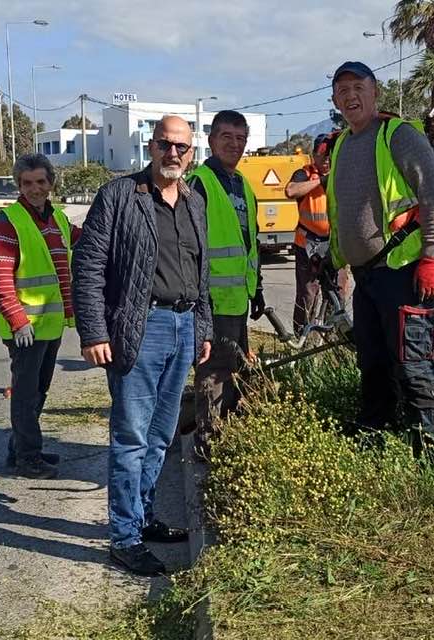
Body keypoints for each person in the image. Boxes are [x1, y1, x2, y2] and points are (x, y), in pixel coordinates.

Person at [72, 115, 212, 577]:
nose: (174, 154)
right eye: (166, 145)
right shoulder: (119, 196)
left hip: (183, 324)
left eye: (183, 148)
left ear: (193, 153)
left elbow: (201, 273)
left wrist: (204, 329)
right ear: (150, 147)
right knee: (131, 437)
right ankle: (124, 537)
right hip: (140, 326)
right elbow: (88, 265)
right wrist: (93, 332)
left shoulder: (194, 201)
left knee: (160, 436)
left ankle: (144, 515)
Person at [325, 61, 434, 455]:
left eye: (357, 87)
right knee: (373, 362)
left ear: (374, 90)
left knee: (412, 364)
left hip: (403, 273)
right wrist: (334, 259)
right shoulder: (342, 143)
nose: (349, 96)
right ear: (334, 100)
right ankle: (375, 435)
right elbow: (339, 209)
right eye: (341, 90)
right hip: (367, 278)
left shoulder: (397, 136)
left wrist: (430, 257)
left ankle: (433, 449)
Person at [0, 153, 81, 480]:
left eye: (41, 182)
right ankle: (28, 458)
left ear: (51, 183)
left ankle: (20, 451)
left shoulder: (57, 218)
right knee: (25, 395)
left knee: (38, 392)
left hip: (50, 324)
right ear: (19, 186)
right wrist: (18, 321)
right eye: (27, 183)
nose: (35, 189)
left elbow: (84, 243)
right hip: (24, 328)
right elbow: (0, 277)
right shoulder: (7, 221)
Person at [186, 110, 264, 452]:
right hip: (212, 300)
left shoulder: (242, 184)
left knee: (232, 366)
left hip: (238, 297)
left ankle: (226, 434)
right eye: (226, 137)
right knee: (214, 370)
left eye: (240, 138)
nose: (234, 144)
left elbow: (250, 241)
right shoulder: (201, 183)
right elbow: (190, 244)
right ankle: (209, 439)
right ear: (211, 140)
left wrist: (256, 286)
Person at [284, 132, 349, 333]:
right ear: (314, 156)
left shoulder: (342, 174)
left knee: (337, 294)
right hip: (308, 246)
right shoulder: (305, 174)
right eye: (323, 156)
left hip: (335, 246)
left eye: (331, 156)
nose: (327, 160)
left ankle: (334, 336)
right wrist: (321, 181)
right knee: (307, 294)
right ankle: (303, 336)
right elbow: (291, 191)